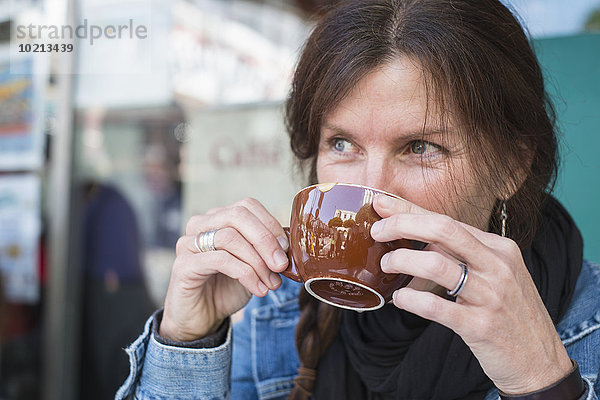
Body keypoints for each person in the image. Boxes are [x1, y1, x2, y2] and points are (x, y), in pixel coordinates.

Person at [116, 0, 600, 399]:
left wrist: (542, 379)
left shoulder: (586, 320)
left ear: (511, 168)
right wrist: (186, 340)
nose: (374, 191)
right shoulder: (280, 308)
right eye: (342, 145)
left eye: (420, 147)